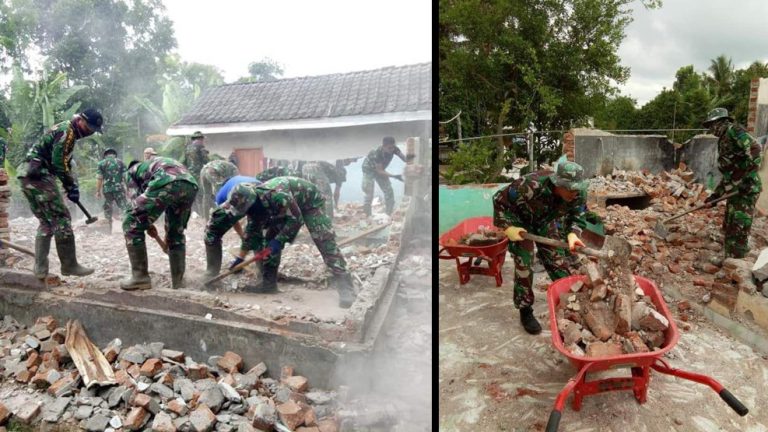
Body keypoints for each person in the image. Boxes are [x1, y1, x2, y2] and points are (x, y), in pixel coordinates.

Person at [204, 176, 357, 308]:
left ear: (253, 199)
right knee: (269, 239)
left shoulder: (277, 195)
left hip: (309, 203)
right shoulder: (252, 206)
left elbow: (296, 219)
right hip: (283, 209)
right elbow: (251, 232)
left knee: (323, 238)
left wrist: (280, 240)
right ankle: (269, 284)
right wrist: (241, 258)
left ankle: (346, 287)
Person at [492, 161, 598, 334]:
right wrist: (508, 226)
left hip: (546, 223)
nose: (574, 193)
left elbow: (578, 214)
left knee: (557, 262)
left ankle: (570, 303)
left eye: (577, 188)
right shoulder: (529, 185)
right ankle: (525, 310)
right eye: (570, 189)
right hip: (520, 223)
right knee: (524, 265)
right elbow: (499, 201)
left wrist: (573, 233)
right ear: (558, 184)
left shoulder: (578, 193)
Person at [17, 109, 103, 280]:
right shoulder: (67, 132)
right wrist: (70, 185)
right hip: (38, 175)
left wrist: (71, 186)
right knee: (61, 218)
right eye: (89, 127)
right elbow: (58, 163)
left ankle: (40, 269)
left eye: (93, 129)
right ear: (80, 120)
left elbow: (64, 161)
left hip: (26, 175)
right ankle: (69, 265)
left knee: (46, 222)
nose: (90, 132)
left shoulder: (66, 130)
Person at [121, 157, 198, 290]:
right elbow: (152, 208)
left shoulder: (130, 172)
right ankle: (178, 283)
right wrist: (150, 225)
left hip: (167, 181)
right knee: (175, 232)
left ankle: (140, 278)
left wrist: (146, 223)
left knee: (131, 221)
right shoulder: (155, 166)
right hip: (190, 184)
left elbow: (136, 208)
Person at [702, 108, 762, 260]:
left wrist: (747, 180)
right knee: (730, 225)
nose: (710, 129)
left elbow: (755, 149)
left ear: (721, 122)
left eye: (712, 125)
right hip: (735, 190)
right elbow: (730, 174)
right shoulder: (723, 140)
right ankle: (730, 258)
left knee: (738, 227)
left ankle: (736, 265)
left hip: (747, 190)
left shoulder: (734, 131)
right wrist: (716, 195)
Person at [361, 136, 413, 216]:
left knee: (389, 191)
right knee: (369, 192)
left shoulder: (394, 149)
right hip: (369, 169)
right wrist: (394, 176)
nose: (391, 150)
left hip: (380, 169)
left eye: (392, 147)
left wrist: (412, 163)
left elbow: (404, 159)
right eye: (389, 148)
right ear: (383, 146)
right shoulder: (377, 153)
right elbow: (380, 171)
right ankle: (367, 215)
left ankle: (388, 214)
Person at [95, 148, 128, 233]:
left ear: (105, 155)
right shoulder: (120, 162)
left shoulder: (101, 163)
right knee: (124, 208)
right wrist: (128, 189)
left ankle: (108, 230)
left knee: (108, 209)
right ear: (115, 154)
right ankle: (127, 229)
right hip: (119, 189)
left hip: (107, 190)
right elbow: (126, 177)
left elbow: (99, 178)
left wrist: (98, 191)